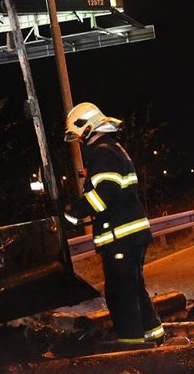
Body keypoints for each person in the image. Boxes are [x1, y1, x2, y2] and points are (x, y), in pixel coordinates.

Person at [62, 102, 164, 346]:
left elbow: (105, 193)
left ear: (86, 128)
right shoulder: (112, 148)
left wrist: (74, 211)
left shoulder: (102, 152)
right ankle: (154, 338)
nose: (78, 142)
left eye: (77, 137)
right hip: (129, 236)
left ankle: (132, 346)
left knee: (121, 295)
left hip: (121, 237)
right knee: (134, 289)